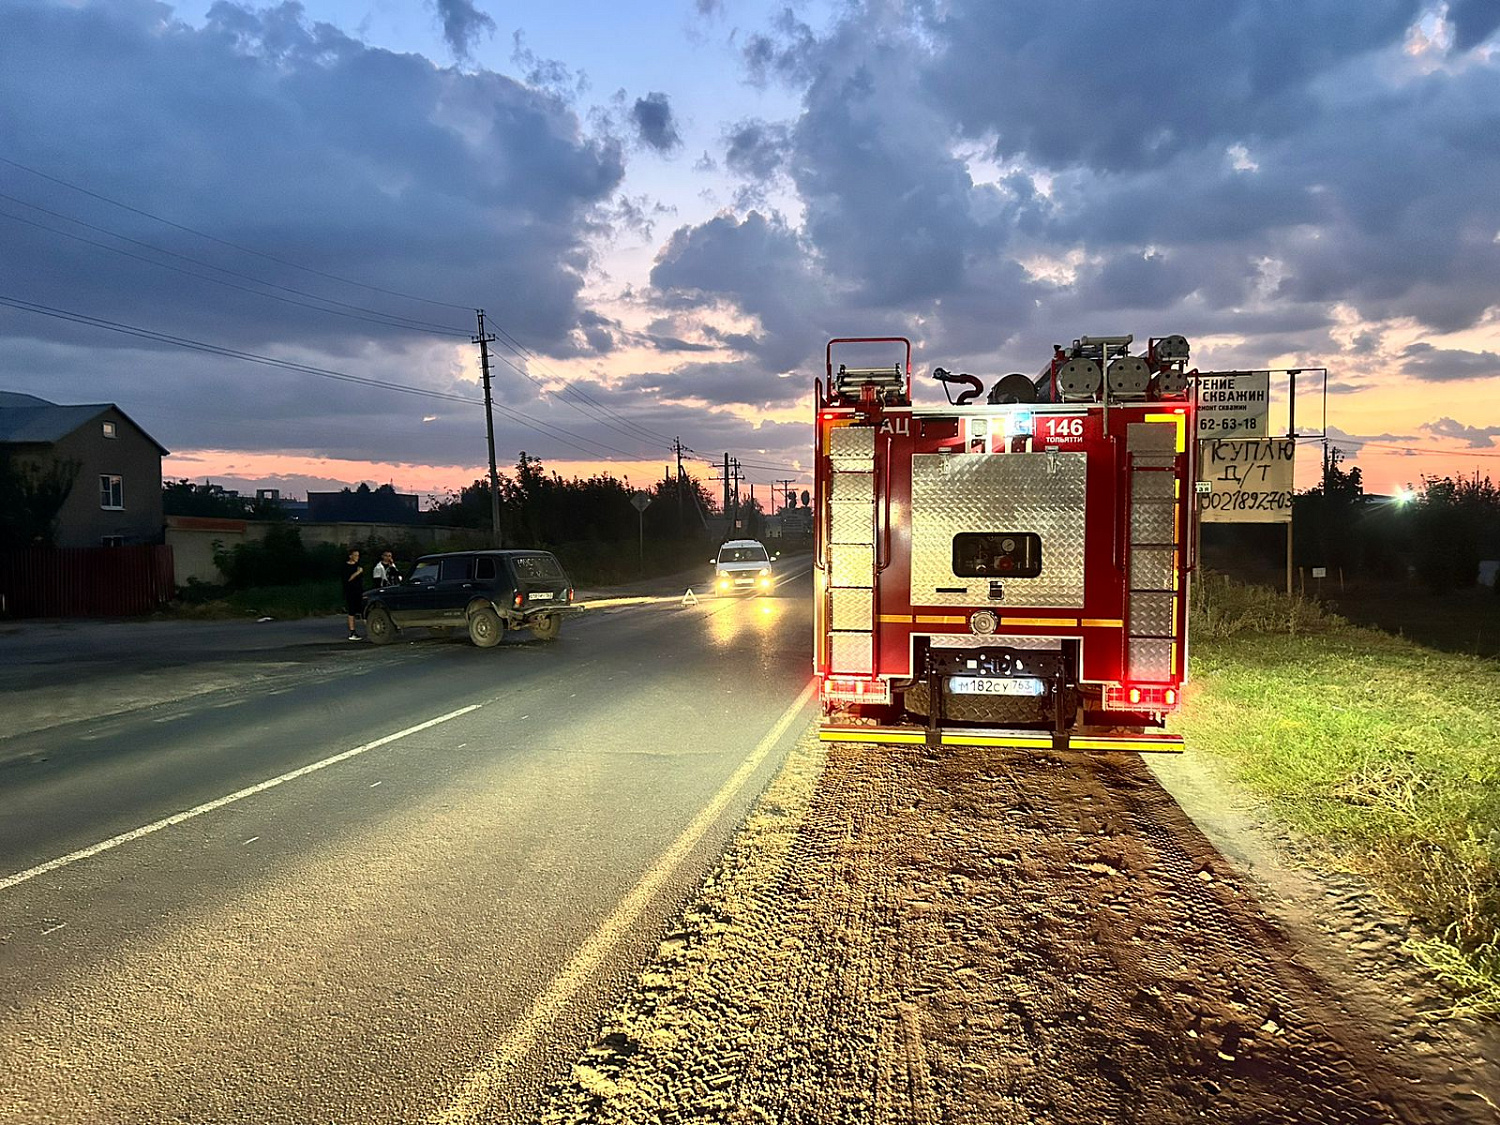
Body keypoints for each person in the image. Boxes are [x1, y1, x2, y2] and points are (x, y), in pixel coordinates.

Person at [344, 548, 365, 640]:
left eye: (358, 555)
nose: (357, 557)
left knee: (362, 609)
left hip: (359, 590)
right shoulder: (346, 566)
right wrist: (357, 572)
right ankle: (352, 632)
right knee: (351, 611)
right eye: (355, 555)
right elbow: (348, 579)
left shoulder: (358, 565)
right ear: (350, 556)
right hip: (350, 591)